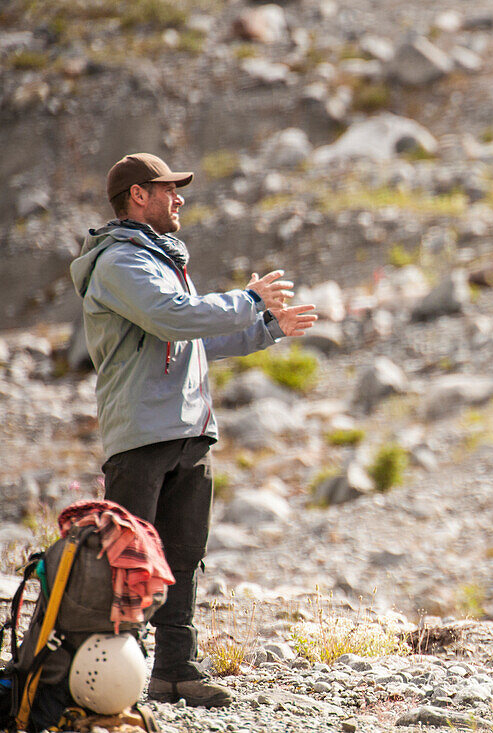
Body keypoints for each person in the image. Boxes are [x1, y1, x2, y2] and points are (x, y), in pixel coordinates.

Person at [70, 153, 318, 707]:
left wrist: (266, 328)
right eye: (168, 190)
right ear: (138, 196)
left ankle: (176, 670)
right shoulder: (119, 265)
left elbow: (194, 338)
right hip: (140, 435)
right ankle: (109, 678)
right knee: (128, 561)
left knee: (183, 555)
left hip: (189, 431)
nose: (178, 198)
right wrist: (248, 300)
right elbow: (174, 316)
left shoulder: (160, 261)